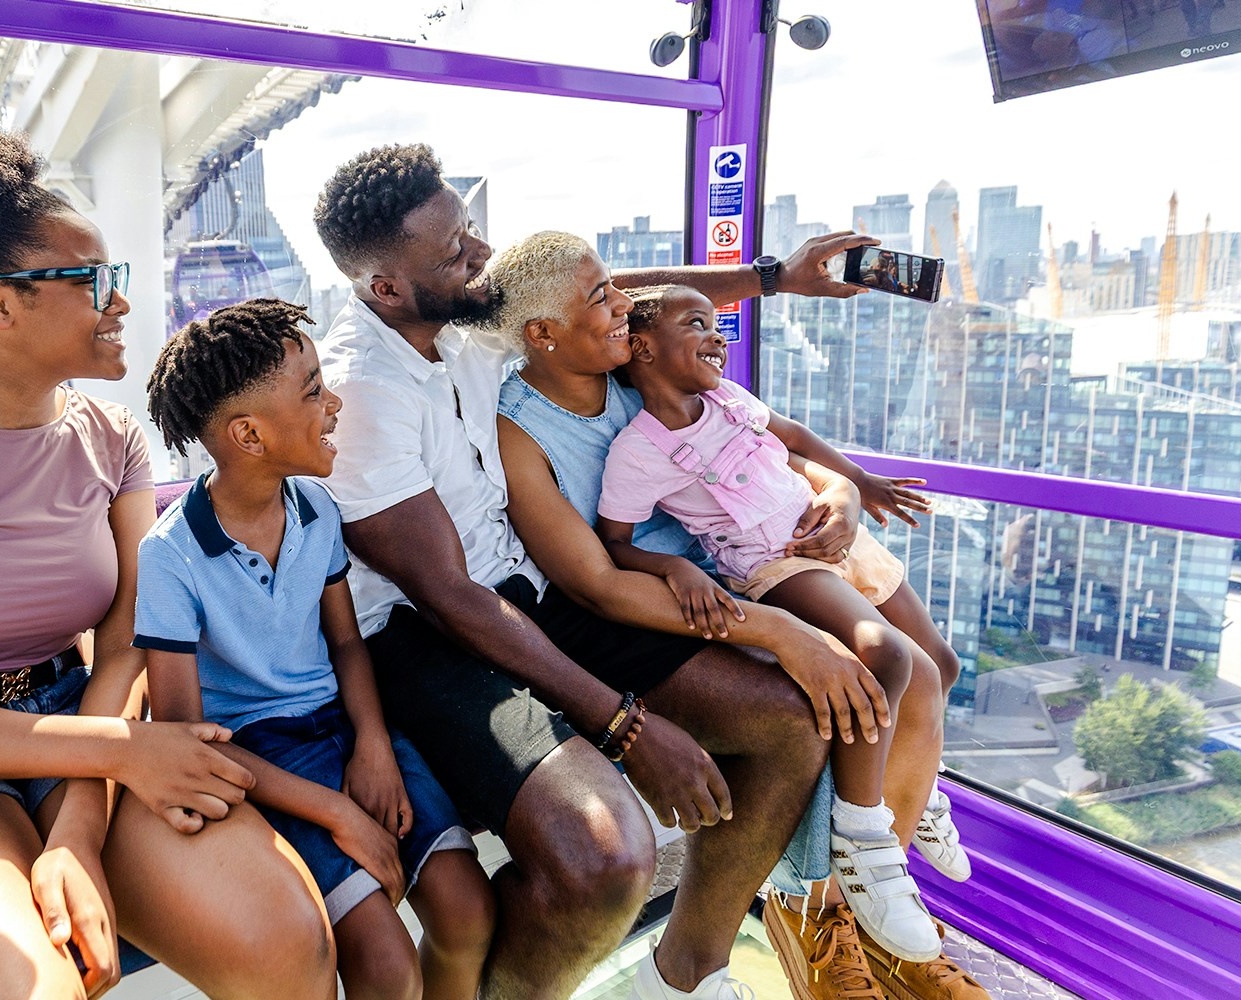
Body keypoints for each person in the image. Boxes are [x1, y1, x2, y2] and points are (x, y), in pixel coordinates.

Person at [311, 142, 882, 1000]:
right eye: (455, 250)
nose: (479, 256)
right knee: (608, 854)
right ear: (385, 288)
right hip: (424, 636)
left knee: (791, 721)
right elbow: (454, 600)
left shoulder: (458, 310)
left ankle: (686, 974)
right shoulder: (364, 392)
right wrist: (625, 726)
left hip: (530, 596)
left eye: (469, 231)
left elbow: (599, 292)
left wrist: (770, 276)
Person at [0, 115, 335, 1000]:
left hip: (77, 722)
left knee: (286, 940)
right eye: (92, 280)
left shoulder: (112, 440)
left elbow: (124, 645)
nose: (120, 300)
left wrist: (82, 820)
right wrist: (118, 751)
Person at [488, 232, 989, 1000]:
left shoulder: (635, 363)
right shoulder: (524, 427)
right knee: (834, 693)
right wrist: (778, 631)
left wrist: (844, 489)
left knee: (920, 672)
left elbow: (766, 434)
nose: (621, 303)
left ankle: (860, 911)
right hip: (650, 598)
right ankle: (793, 922)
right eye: (601, 298)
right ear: (542, 333)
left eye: (619, 296)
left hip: (727, 570)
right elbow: (597, 582)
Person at [135, 299, 494, 1000]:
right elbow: (188, 742)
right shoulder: (170, 558)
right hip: (259, 759)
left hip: (345, 729)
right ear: (249, 434)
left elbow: (345, 644)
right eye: (313, 391)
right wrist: (338, 813)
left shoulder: (317, 510)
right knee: (385, 967)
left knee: (468, 912)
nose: (335, 404)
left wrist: (373, 747)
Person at [596, 283, 964, 964]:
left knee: (941, 665)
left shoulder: (729, 403)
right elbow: (615, 540)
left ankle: (922, 792)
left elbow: (794, 439)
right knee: (888, 658)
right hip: (779, 567)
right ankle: (862, 835)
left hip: (836, 539)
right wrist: (673, 568)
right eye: (695, 323)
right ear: (641, 346)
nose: (717, 336)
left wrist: (856, 484)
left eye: (718, 324)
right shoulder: (638, 450)